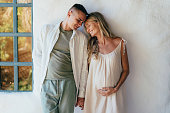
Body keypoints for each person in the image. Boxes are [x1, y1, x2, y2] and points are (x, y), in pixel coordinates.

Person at [32, 4, 88, 113]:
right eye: (78, 20)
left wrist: (81, 94)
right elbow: (37, 55)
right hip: (47, 83)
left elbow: (83, 68)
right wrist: (41, 80)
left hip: (69, 84)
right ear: (69, 13)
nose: (80, 25)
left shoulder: (81, 38)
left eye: (82, 23)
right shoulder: (47, 30)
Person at [83, 12, 129, 113]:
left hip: (113, 95)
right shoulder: (90, 46)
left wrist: (115, 88)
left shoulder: (120, 43)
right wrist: (81, 96)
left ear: (98, 22)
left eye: (88, 25)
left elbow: (126, 70)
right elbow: (85, 72)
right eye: (85, 27)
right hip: (93, 96)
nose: (87, 30)